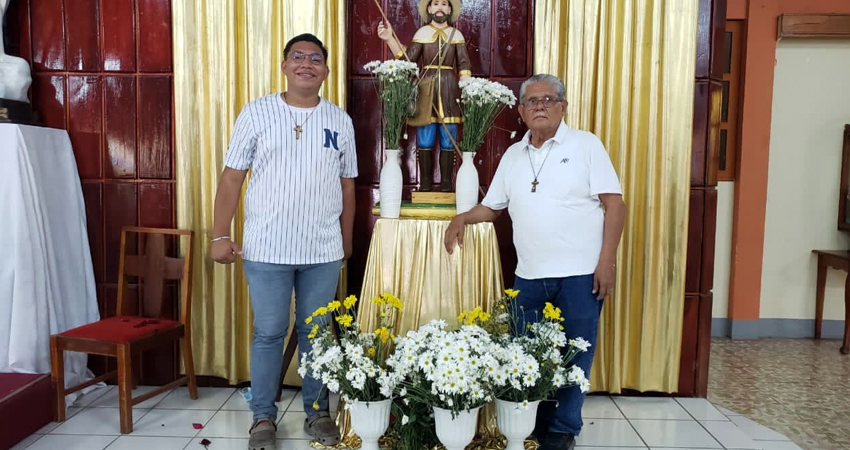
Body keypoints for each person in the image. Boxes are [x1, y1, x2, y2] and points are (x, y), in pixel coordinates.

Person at [443, 74, 626, 450]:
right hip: (529, 276)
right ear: (522, 110)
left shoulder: (585, 145)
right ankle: (532, 425)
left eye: (548, 99)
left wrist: (606, 261)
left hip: (580, 275)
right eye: (532, 101)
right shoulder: (513, 155)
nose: (540, 106)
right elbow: (492, 208)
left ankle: (562, 431)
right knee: (526, 356)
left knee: (575, 354)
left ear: (563, 106)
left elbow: (615, 204)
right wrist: (461, 217)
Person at [211, 33, 357, 450]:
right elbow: (231, 178)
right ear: (284, 65)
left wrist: (346, 240)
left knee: (317, 334)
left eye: (315, 58)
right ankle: (262, 418)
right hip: (267, 247)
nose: (306, 64)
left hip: (323, 249)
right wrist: (220, 235)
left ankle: (318, 412)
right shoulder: (257, 113)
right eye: (298, 57)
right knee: (270, 332)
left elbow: (348, 187)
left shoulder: (339, 121)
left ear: (326, 71)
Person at [377, 0, 471, 191]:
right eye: (435, 3)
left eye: (444, 4)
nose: (439, 8)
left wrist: (467, 88)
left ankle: (446, 184)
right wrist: (390, 39)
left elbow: (464, 64)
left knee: (448, 137)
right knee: (425, 137)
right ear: (428, 9)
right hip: (425, 89)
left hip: (449, 89)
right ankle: (425, 184)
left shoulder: (457, 36)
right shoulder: (422, 33)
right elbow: (408, 61)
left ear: (450, 10)